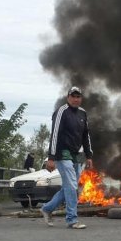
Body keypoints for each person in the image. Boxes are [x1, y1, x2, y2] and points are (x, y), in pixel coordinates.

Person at [40, 86, 93, 229]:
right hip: (62, 153)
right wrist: (51, 158)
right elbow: (54, 134)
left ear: (81, 98)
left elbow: (85, 135)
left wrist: (89, 155)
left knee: (68, 187)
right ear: (68, 97)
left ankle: (47, 208)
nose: (76, 99)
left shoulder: (83, 113)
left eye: (78, 97)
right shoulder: (61, 112)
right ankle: (72, 219)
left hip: (76, 154)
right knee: (71, 185)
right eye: (73, 96)